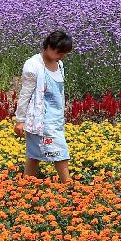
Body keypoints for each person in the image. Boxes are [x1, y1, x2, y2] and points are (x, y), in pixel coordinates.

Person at [14, 29, 73, 182]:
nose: (61, 56)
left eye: (64, 53)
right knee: (60, 150)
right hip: (40, 118)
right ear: (48, 46)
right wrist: (20, 119)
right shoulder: (33, 65)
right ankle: (68, 184)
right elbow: (25, 94)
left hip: (56, 118)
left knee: (34, 154)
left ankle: (26, 184)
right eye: (59, 52)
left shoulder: (59, 64)